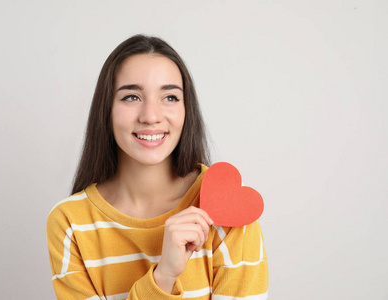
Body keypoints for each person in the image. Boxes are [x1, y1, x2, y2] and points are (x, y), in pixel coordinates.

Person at [47, 34, 268, 299]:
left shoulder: (229, 211)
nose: (151, 116)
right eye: (131, 97)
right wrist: (163, 277)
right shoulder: (70, 223)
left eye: (170, 97)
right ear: (106, 109)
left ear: (187, 109)